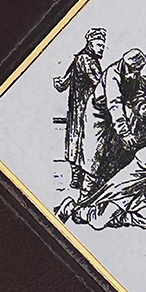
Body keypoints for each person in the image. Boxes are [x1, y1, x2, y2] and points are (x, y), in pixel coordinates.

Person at [80, 48, 146, 193]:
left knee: (114, 154)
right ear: (127, 64)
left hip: (114, 117)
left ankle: (103, 193)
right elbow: (115, 104)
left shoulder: (135, 74)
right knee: (95, 154)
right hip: (98, 114)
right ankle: (86, 193)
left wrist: (141, 106)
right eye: (135, 69)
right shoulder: (113, 74)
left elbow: (138, 93)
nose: (137, 72)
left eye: (139, 70)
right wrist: (125, 133)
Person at [53, 28, 106, 191]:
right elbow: (99, 82)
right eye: (99, 45)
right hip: (85, 107)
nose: (102, 48)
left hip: (78, 107)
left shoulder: (80, 58)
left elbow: (64, 82)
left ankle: (77, 177)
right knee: (84, 140)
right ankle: (80, 177)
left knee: (75, 138)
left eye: (103, 45)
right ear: (90, 44)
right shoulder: (87, 60)